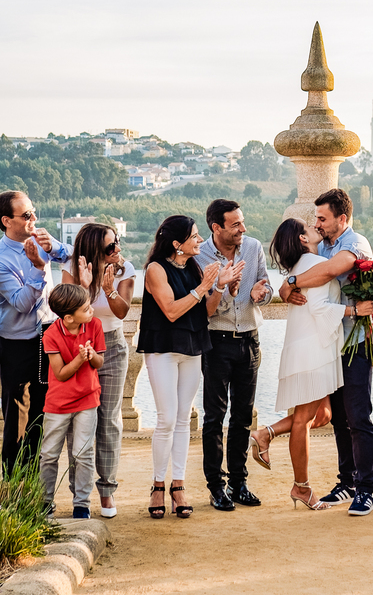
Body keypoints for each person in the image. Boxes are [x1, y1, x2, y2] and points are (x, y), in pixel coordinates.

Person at [249, 218, 373, 510]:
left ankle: (266, 433)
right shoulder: (316, 264)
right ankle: (302, 487)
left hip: (307, 348)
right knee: (305, 419)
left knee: (324, 414)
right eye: (310, 226)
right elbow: (319, 308)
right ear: (303, 239)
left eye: (319, 220)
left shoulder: (298, 268)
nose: (315, 226)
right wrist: (354, 309)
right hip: (314, 352)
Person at [279, 188, 373, 516]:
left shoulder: (354, 244)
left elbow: (330, 271)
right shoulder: (324, 244)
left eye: (322, 218)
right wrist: (287, 286)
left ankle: (365, 490)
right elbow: (311, 271)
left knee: (359, 417)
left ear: (342, 219)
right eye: (316, 219)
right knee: (339, 420)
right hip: (332, 343)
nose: (317, 224)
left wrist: (291, 281)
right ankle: (347, 481)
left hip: (356, 341)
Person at [138, 215, 232, 519]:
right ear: (177, 244)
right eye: (194, 237)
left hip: (193, 347)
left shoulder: (191, 267)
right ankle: (157, 485)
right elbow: (171, 311)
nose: (200, 241)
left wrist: (217, 287)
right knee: (165, 419)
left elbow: (206, 309)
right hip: (163, 347)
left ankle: (178, 486)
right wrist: (203, 284)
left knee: (182, 419)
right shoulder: (155, 269)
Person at [0, 190, 72, 478]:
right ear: (6, 221)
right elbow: (22, 303)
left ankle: (37, 486)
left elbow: (74, 256)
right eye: (26, 215)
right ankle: (13, 487)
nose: (34, 219)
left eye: (34, 212)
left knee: (43, 412)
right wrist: (39, 268)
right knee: (17, 418)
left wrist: (57, 248)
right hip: (17, 343)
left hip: (49, 335)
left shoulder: (40, 240)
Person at [195, 199, 270, 511]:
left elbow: (267, 288)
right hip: (216, 340)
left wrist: (260, 294)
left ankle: (239, 482)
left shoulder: (253, 247)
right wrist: (229, 291)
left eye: (242, 222)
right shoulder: (198, 256)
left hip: (250, 339)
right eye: (236, 224)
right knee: (214, 418)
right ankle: (216, 486)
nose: (244, 228)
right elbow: (203, 309)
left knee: (242, 416)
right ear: (217, 227)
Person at [62, 223, 134, 518]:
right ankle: (80, 495)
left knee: (108, 422)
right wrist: (83, 284)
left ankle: (106, 491)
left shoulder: (124, 269)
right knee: (77, 421)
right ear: (93, 249)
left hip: (113, 346)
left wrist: (108, 289)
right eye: (109, 247)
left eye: (117, 243)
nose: (116, 250)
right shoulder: (71, 266)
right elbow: (67, 314)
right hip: (78, 346)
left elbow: (122, 311)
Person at [39, 283, 105, 519]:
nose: (92, 312)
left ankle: (82, 504)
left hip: (88, 399)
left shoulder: (94, 325)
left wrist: (92, 355)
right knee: (49, 454)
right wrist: (79, 359)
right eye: (86, 309)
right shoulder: (51, 335)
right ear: (68, 317)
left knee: (83, 453)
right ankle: (45, 502)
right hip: (58, 404)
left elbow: (99, 363)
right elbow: (61, 374)